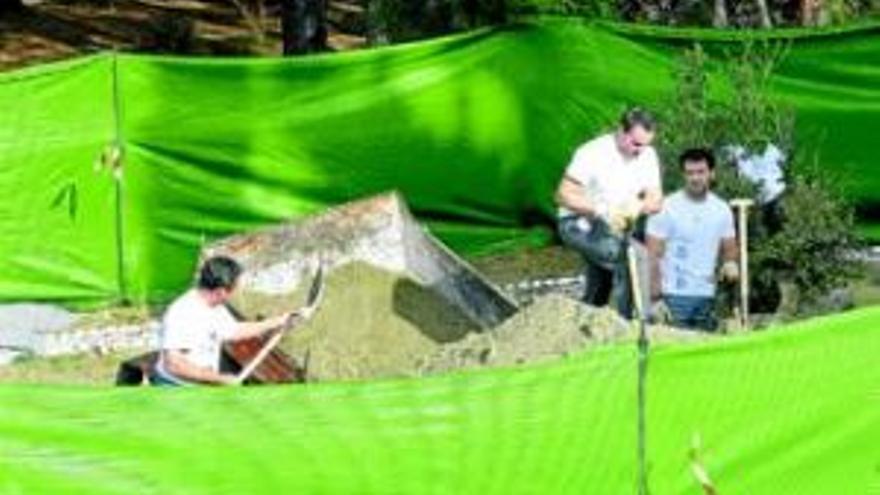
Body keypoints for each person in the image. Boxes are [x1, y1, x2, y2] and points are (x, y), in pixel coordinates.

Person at [556, 107, 663, 317]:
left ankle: (582, 330)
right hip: (578, 223)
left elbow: (656, 199)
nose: (640, 150)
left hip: (616, 227)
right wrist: (601, 210)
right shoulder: (592, 153)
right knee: (633, 255)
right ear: (621, 131)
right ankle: (637, 325)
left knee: (601, 285)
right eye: (636, 143)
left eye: (645, 145)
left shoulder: (647, 155)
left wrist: (637, 206)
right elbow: (563, 195)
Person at [151, 255, 298, 386]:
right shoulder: (183, 312)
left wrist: (278, 321)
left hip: (198, 386)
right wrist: (218, 378)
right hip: (174, 387)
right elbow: (174, 364)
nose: (236, 292)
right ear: (221, 291)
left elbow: (235, 330)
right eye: (234, 288)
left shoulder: (215, 308)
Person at [646, 148, 739, 331]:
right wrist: (655, 299)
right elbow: (652, 256)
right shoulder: (666, 207)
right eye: (690, 173)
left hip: (707, 297)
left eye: (700, 172)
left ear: (711, 174)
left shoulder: (721, 209)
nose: (695, 178)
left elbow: (729, 247)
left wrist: (730, 263)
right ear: (683, 175)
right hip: (674, 297)